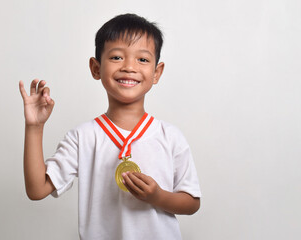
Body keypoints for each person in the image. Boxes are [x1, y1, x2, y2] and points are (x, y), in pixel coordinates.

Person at [19, 13, 201, 240]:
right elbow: (37, 190)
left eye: (142, 60)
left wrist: (158, 196)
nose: (129, 67)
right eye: (116, 57)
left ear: (156, 72)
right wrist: (34, 127)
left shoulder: (170, 137)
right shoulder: (83, 137)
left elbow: (192, 202)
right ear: (96, 68)